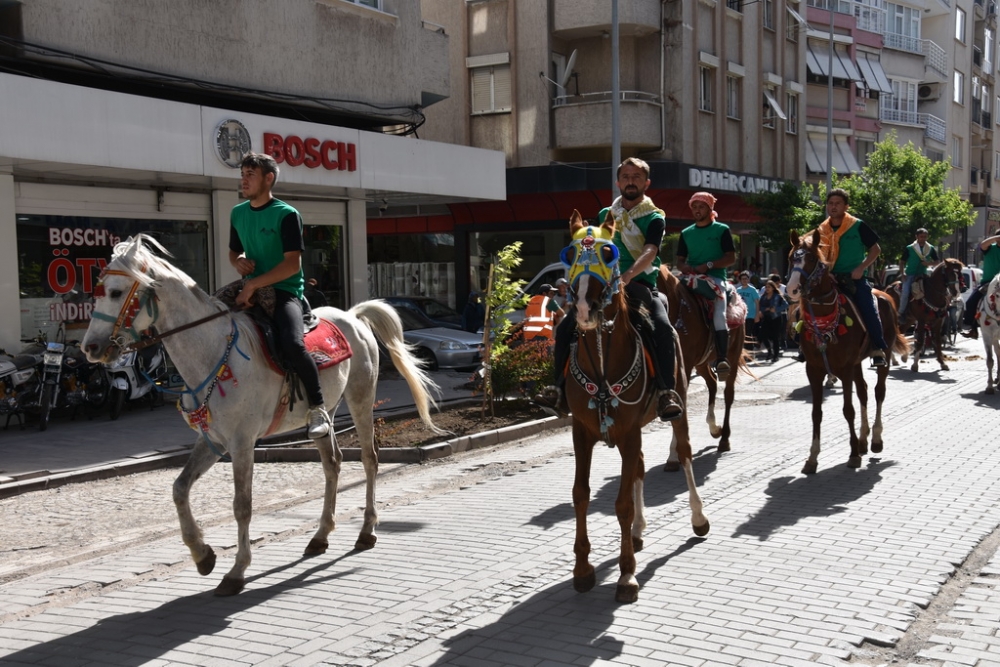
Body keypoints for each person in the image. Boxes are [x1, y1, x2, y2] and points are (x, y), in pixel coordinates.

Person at [534, 157, 683, 421]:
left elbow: (650, 251)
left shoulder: (655, 217)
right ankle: (556, 388)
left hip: (639, 284)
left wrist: (626, 276)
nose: (630, 181)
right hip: (603, 286)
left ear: (646, 183)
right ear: (618, 182)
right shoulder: (606, 216)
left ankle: (665, 392)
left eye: (636, 177)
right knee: (568, 325)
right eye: (625, 176)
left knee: (662, 327)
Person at [229, 152, 331, 439]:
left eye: (250, 174)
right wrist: (238, 262)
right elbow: (233, 252)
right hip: (250, 286)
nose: (244, 180)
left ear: (268, 178)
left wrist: (252, 284)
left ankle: (318, 409)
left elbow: (292, 264)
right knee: (211, 319)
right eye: (242, 174)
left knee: (292, 343)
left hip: (285, 292)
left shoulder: (286, 214)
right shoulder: (237, 213)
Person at [816, 188, 888, 366]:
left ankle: (878, 348)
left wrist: (861, 267)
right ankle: (805, 346)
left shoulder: (857, 225)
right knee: (806, 304)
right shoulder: (821, 229)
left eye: (838, 203)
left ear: (846, 206)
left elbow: (875, 249)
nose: (833, 207)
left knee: (868, 308)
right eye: (830, 203)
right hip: (830, 278)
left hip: (854, 279)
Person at [675, 191, 738, 379]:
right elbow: (679, 261)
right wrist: (685, 267)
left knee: (719, 315)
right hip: (690, 277)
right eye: (694, 207)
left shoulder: (722, 230)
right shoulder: (686, 233)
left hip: (715, 279)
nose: (696, 210)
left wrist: (708, 265)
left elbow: (731, 258)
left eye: (701, 206)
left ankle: (722, 359)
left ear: (710, 208)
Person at [961, 233, 1000, 339]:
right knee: (970, 303)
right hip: (987, 282)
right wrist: (996, 237)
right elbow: (982, 244)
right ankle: (972, 328)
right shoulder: (989, 248)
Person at [898, 228, 940, 319]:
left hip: (923, 274)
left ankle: (936, 310)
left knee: (932, 290)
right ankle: (901, 313)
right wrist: (902, 273)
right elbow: (902, 262)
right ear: (916, 236)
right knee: (905, 292)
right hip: (910, 274)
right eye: (921, 236)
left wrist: (928, 264)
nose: (923, 238)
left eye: (925, 237)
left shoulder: (930, 248)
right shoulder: (910, 248)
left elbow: (937, 261)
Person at [758, 280, 784, 362]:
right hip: (766, 318)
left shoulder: (778, 296)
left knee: (775, 337)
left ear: (773, 288)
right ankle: (770, 351)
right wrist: (762, 311)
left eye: (769, 287)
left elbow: (785, 305)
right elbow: (760, 306)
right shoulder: (763, 297)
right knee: (763, 335)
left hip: (776, 318)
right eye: (766, 287)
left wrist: (776, 309)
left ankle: (775, 356)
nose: (767, 289)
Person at [736, 271, 761, 349]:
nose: (744, 280)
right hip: (741, 315)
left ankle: (749, 349)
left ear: (748, 280)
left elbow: (757, 302)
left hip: (750, 315)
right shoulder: (738, 290)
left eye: (746, 279)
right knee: (741, 334)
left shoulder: (752, 290)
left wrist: (757, 314)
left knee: (748, 333)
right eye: (743, 279)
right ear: (740, 280)